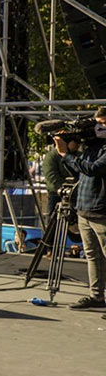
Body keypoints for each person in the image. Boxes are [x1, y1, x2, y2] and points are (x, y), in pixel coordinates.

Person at [54, 106, 106, 311]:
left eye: (103, 123)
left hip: (102, 210)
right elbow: (79, 171)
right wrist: (71, 153)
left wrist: (66, 154)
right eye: (98, 123)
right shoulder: (91, 147)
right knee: (92, 255)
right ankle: (96, 296)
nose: (99, 127)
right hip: (85, 208)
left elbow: (93, 169)